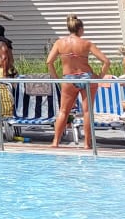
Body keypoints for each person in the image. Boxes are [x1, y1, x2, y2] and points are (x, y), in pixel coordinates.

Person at [46, 14, 110, 149]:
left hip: (69, 78)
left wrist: (56, 78)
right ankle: (87, 144)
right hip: (87, 77)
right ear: (80, 29)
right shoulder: (87, 43)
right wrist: (99, 76)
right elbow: (106, 61)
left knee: (64, 111)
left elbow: (49, 62)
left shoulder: (59, 43)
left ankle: (55, 142)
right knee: (87, 112)